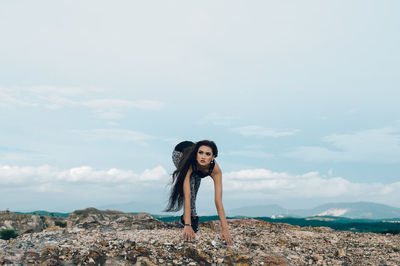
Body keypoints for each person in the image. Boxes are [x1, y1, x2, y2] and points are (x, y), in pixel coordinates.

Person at [164, 140, 233, 246]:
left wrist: (225, 229)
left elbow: (218, 201)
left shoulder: (216, 171)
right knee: (191, 183)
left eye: (208, 154)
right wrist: (187, 224)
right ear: (196, 153)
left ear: (213, 157)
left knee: (196, 178)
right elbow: (187, 196)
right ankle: (189, 218)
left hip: (195, 162)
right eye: (200, 153)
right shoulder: (190, 164)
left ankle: (190, 216)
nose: (203, 157)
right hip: (179, 152)